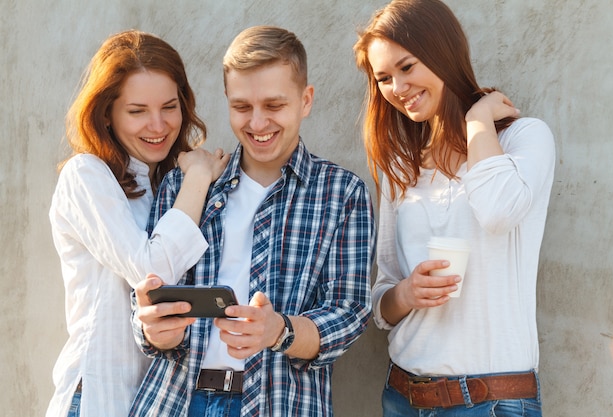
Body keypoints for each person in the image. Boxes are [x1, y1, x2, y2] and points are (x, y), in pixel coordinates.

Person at [128, 25, 376, 417]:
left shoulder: (342, 193)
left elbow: (348, 312)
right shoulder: (184, 184)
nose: (257, 123)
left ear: (306, 100)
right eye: (242, 107)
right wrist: (153, 329)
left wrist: (278, 330)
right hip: (175, 400)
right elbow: (150, 292)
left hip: (279, 405)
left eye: (274, 106)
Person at [353, 0, 555, 415]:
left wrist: (478, 119)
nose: (397, 88)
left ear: (442, 52)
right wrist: (407, 293)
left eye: (407, 67)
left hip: (491, 401)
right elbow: (382, 302)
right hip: (403, 396)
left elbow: (498, 211)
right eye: (385, 78)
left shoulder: (525, 139)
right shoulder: (399, 167)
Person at [46, 30, 229, 417]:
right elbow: (152, 272)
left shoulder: (166, 183)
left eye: (169, 106)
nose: (158, 125)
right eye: (137, 111)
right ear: (106, 113)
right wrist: (198, 177)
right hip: (98, 397)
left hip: (158, 402)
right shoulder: (87, 176)